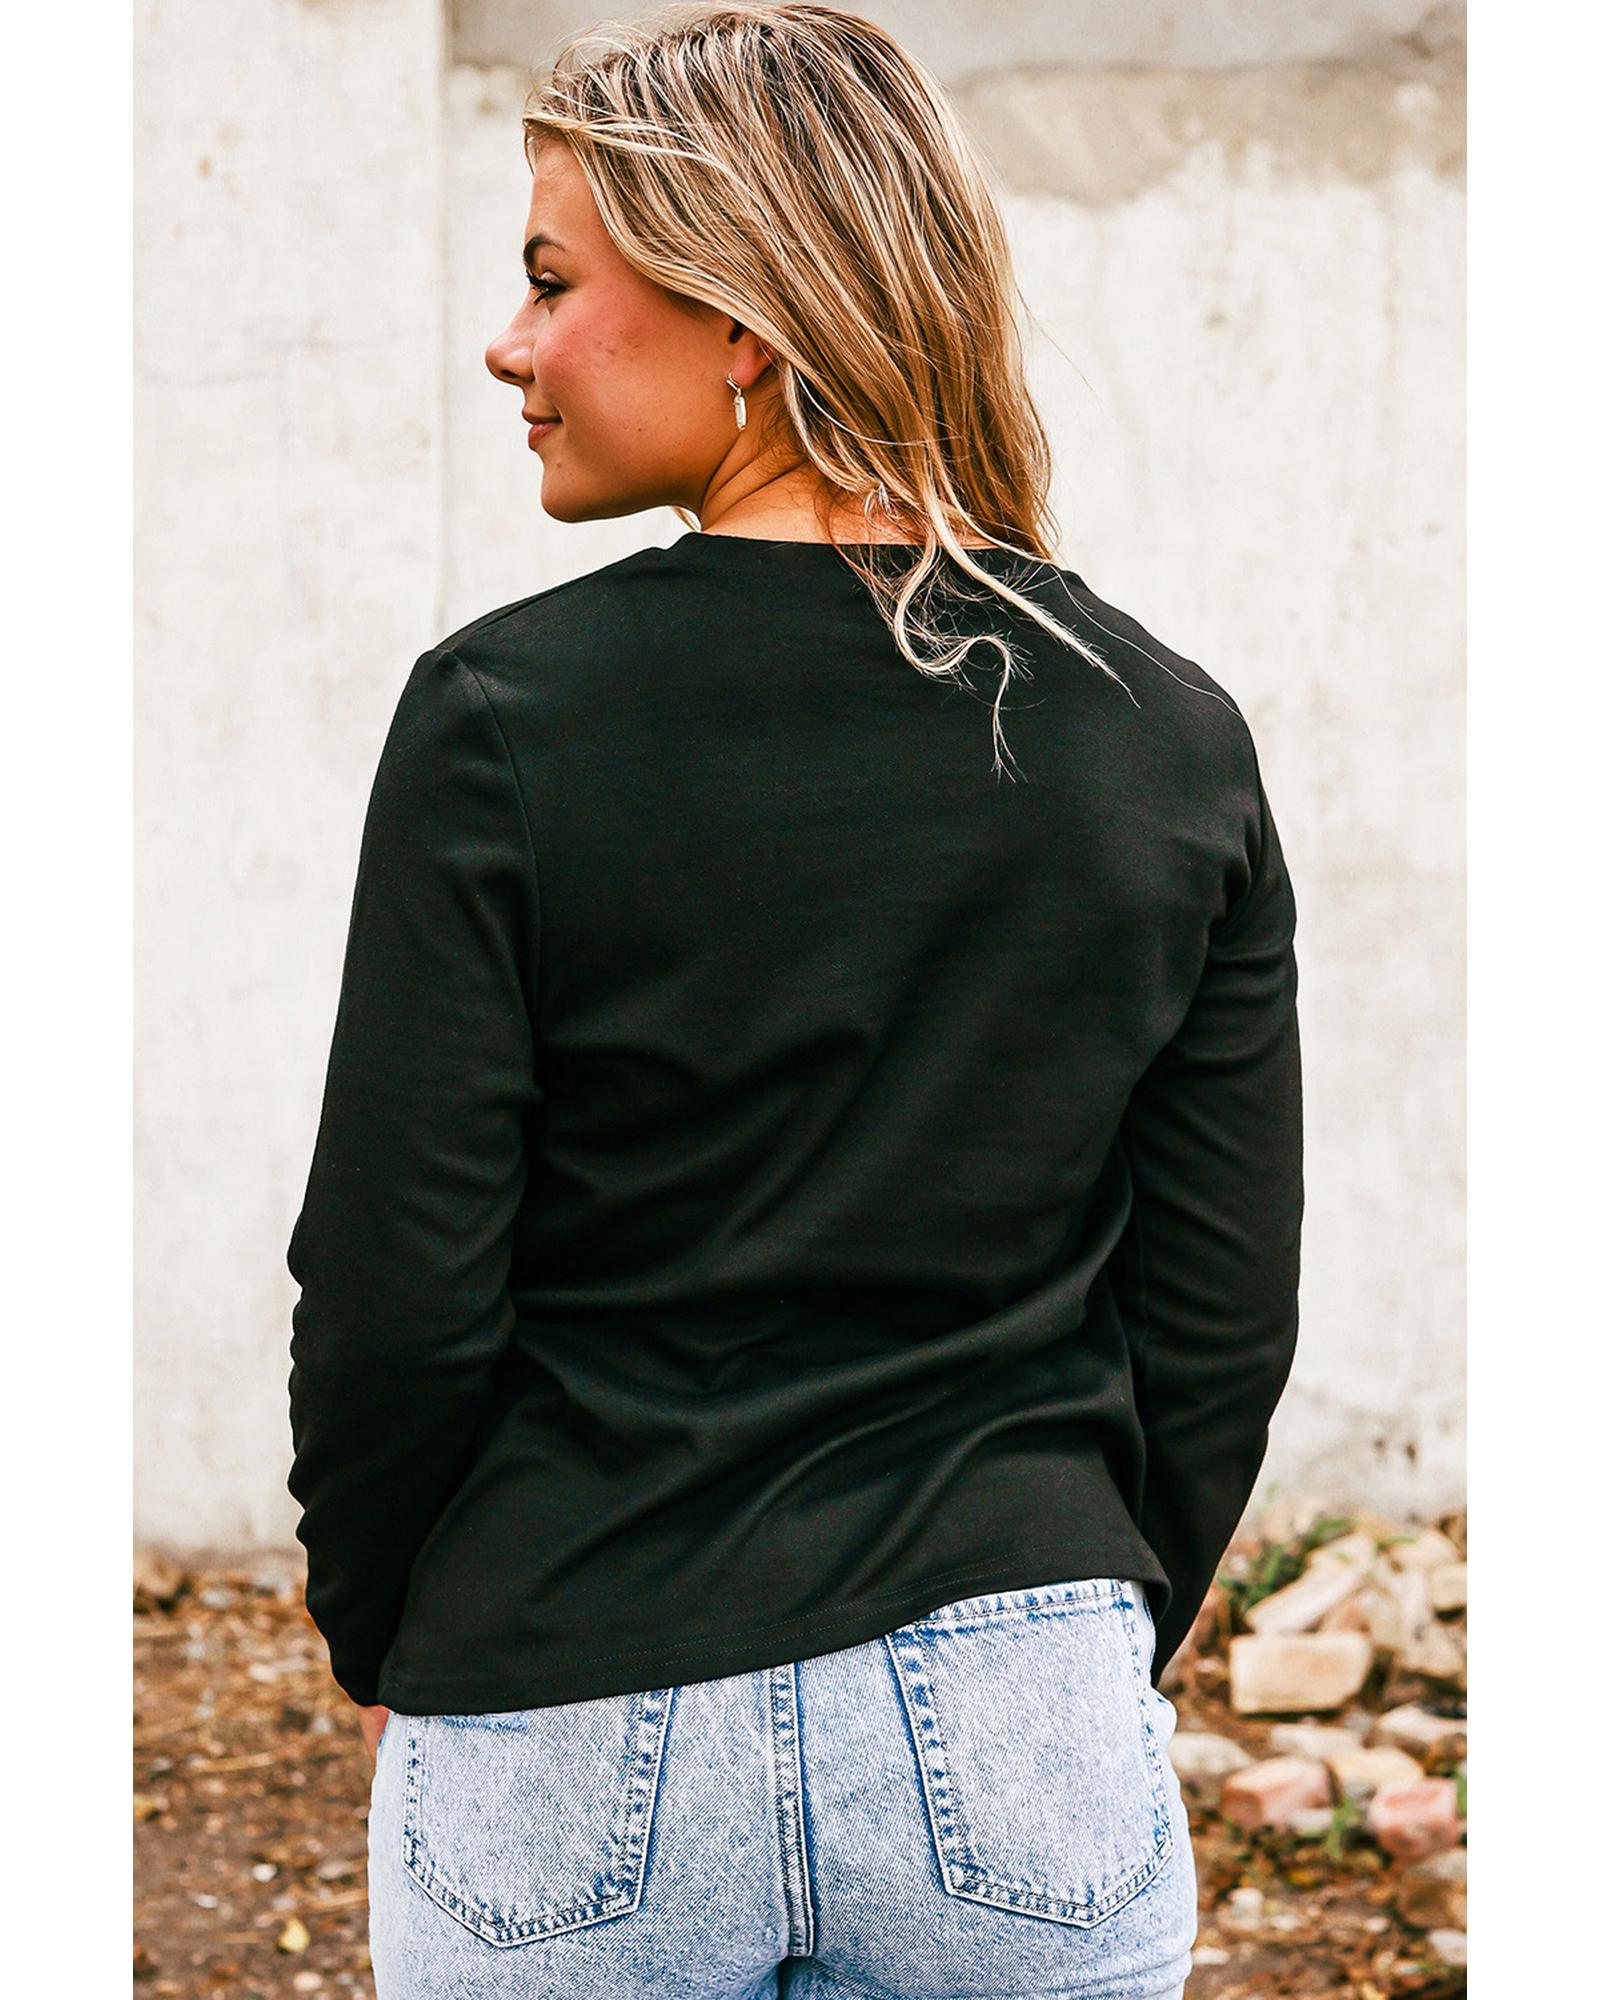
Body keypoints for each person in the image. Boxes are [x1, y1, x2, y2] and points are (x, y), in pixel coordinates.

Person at [284, 5, 1303, 1995]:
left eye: (551, 280)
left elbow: (401, 1284)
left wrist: (395, 1626)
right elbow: (1215, 1312)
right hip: (1021, 1708)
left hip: (565, 1685)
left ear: (744, 319)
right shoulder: (1165, 741)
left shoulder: (501, 721)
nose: (508, 345)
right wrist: (1079, 1626)